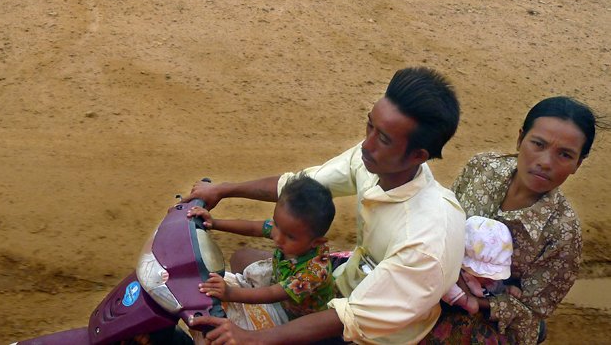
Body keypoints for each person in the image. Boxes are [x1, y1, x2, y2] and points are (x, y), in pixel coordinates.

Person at [185, 67, 466, 345]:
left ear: (418, 155)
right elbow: (300, 184)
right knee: (243, 258)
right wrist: (223, 190)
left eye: (383, 139)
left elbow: (352, 318)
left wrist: (251, 339)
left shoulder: (424, 244)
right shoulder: (375, 160)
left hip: (371, 335)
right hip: (344, 281)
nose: (366, 144)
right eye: (370, 125)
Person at [421, 96, 602, 345]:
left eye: (565, 155)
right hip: (435, 274)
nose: (545, 162)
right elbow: (443, 222)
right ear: (520, 139)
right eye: (538, 144)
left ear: (577, 164)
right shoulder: (482, 167)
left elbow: (530, 309)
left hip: (485, 314)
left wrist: (468, 298)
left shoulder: (564, 231)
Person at [188, 174, 336, 329]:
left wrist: (230, 293)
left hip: (299, 323)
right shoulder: (291, 230)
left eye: (290, 237)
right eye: (277, 225)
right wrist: (214, 223)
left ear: (316, 242)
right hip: (282, 294)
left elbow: (272, 294)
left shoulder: (314, 273)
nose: (278, 237)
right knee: (241, 260)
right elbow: (254, 228)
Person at [441, 216, 522, 316]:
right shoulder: (459, 273)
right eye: (490, 275)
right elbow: (443, 283)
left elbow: (496, 288)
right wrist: (463, 300)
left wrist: (507, 289)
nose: (493, 279)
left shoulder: (492, 282)